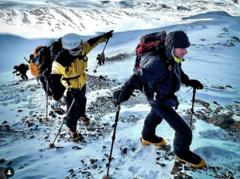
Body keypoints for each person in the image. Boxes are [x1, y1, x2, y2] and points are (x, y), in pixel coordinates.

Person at [113, 30, 205, 168]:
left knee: (155, 117)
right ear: (172, 47)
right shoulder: (158, 63)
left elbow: (177, 70)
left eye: (186, 48)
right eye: (182, 48)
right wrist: (125, 91)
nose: (185, 51)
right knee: (183, 131)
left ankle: (147, 136)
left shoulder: (172, 56)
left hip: (160, 95)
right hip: (157, 98)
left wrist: (188, 81)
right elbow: (138, 76)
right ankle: (182, 153)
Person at [51, 30, 114, 141]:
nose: (82, 45)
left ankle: (81, 115)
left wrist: (104, 36)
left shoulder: (82, 48)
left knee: (82, 100)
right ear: (73, 48)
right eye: (80, 44)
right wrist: (64, 92)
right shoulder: (60, 61)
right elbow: (54, 81)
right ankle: (72, 129)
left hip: (81, 82)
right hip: (69, 87)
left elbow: (91, 42)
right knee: (71, 108)